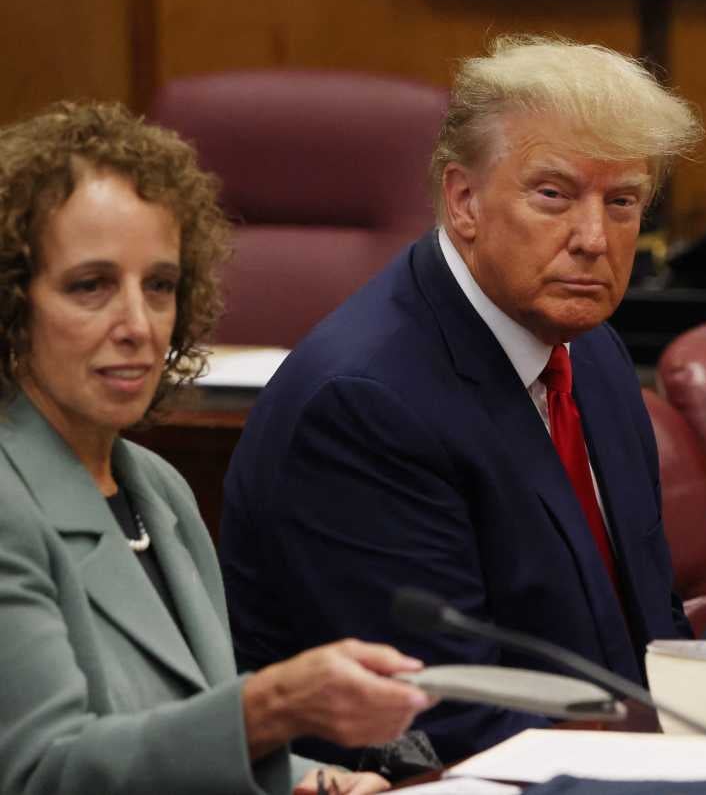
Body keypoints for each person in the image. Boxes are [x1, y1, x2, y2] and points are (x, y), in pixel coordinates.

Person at [220, 35, 703, 763]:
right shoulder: (365, 407)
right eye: (553, 195)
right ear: (464, 200)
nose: (594, 238)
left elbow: (650, 633)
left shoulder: (592, 352)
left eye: (622, 202)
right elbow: (443, 722)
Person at [0, 102, 432, 795]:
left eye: (160, 286)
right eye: (91, 286)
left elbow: (183, 746)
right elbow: (42, 774)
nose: (139, 325)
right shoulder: (8, 505)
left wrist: (315, 778)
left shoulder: (158, 489)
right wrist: (269, 709)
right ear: (12, 305)